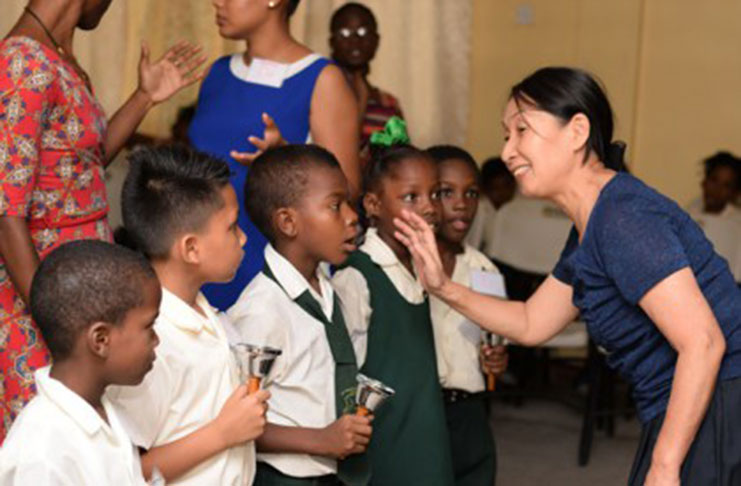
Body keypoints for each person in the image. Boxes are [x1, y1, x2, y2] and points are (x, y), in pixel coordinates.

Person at [395, 67, 741, 486]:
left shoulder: (622, 217)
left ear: (577, 131)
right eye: (506, 135)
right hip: (688, 402)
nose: (507, 152)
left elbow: (703, 341)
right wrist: (442, 287)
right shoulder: (589, 226)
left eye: (522, 130)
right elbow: (530, 322)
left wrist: (665, 465)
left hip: (721, 402)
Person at [0, 0, 205, 440]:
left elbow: (82, 166)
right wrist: (56, 322)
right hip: (40, 300)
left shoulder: (59, 56)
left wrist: (144, 98)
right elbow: (5, 211)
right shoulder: (21, 60)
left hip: (79, 297)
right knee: (49, 446)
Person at [108, 145, 269, 485]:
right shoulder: (152, 342)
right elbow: (126, 471)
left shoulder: (204, 313)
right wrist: (222, 433)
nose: (242, 239)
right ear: (191, 248)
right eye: (231, 227)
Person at [189, 0, 360, 311]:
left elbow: (348, 190)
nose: (218, 2)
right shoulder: (217, 73)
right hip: (205, 261)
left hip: (273, 271)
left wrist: (283, 161)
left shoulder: (323, 79)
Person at [227, 145, 372, 486]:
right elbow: (233, 423)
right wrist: (321, 439)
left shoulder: (327, 290)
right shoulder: (262, 310)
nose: (352, 216)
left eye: (349, 203)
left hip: (332, 473)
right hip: (284, 477)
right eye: (336, 205)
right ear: (288, 222)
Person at [332, 120, 455, 486]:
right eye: (411, 197)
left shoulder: (423, 265)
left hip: (424, 425)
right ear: (373, 205)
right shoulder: (357, 275)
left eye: (435, 194)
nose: (430, 208)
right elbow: (346, 368)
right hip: (384, 435)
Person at [0, 240, 159, 485]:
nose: (157, 340)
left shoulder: (107, 410)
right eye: (149, 327)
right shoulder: (41, 455)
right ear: (100, 340)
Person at [427, 145, 509, 486]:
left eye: (471, 193)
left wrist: (496, 360)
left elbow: (494, 342)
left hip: (468, 409)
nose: (462, 204)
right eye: (446, 192)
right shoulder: (400, 266)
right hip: (418, 410)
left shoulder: (484, 270)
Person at [329, 3, 405, 157]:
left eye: (363, 32)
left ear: (376, 41)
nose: (355, 40)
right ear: (332, 42)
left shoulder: (388, 104)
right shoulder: (320, 96)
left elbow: (400, 160)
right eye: (344, 33)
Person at [686, 151, 741, 221]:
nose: (717, 189)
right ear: (704, 182)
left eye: (726, 185)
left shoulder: (737, 224)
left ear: (735, 193)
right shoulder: (688, 212)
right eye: (714, 180)